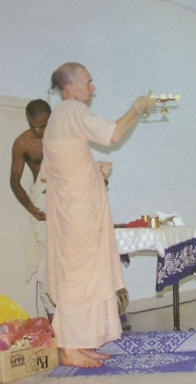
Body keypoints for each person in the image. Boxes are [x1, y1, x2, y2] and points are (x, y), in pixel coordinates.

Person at [43, 62, 154, 368]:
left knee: (85, 276)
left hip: (77, 210)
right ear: (69, 88)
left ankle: (78, 343)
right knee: (79, 278)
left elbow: (60, 169)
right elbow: (113, 134)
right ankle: (69, 348)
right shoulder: (71, 110)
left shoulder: (60, 117)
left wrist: (94, 169)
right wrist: (137, 107)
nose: (93, 88)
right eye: (88, 83)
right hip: (78, 213)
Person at [9, 99, 55, 318]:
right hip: (42, 203)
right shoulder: (22, 142)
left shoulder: (62, 137)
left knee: (72, 264)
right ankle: (55, 327)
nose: (38, 131)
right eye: (33, 126)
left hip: (67, 201)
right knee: (47, 270)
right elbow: (14, 181)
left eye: (43, 126)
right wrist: (32, 208)